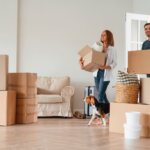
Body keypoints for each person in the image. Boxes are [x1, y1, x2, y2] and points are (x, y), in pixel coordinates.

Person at [79, 30, 117, 113]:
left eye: (104, 35)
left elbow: (114, 63)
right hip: (97, 73)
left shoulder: (112, 49)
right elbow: (88, 55)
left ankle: (100, 114)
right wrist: (81, 62)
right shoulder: (96, 46)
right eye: (101, 35)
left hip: (106, 74)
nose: (102, 36)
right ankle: (111, 112)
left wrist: (105, 67)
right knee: (102, 95)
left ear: (109, 37)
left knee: (100, 95)